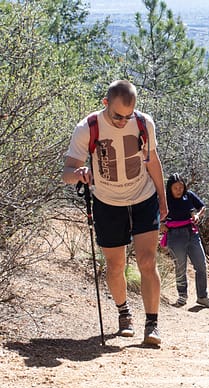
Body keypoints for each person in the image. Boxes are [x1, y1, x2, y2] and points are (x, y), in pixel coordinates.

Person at [62, 80, 167, 346]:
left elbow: (152, 161)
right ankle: (124, 314)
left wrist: (163, 200)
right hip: (107, 202)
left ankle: (152, 324)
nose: (123, 121)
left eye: (128, 116)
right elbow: (67, 172)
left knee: (146, 261)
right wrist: (80, 174)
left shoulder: (144, 123)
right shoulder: (88, 127)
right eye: (117, 116)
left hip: (143, 198)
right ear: (105, 103)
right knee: (115, 265)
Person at [161, 173, 209, 309]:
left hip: (192, 234)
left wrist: (198, 215)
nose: (179, 190)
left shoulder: (189, 196)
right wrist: (160, 224)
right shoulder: (164, 199)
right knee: (180, 267)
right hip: (174, 235)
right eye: (176, 188)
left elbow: (202, 207)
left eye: (181, 187)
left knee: (201, 265)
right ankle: (182, 297)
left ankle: (202, 297)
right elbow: (156, 213)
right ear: (170, 188)